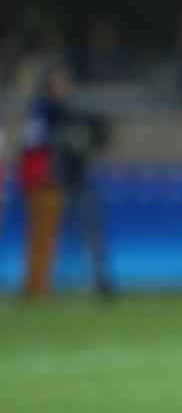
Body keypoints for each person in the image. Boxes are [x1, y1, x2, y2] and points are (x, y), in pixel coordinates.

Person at [17, 64, 113, 298]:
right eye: (59, 82)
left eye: (65, 82)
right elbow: (34, 145)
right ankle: (37, 284)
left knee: (90, 229)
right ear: (50, 85)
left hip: (74, 179)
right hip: (50, 181)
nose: (64, 87)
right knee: (43, 234)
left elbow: (94, 136)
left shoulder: (69, 111)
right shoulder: (43, 110)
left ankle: (98, 281)